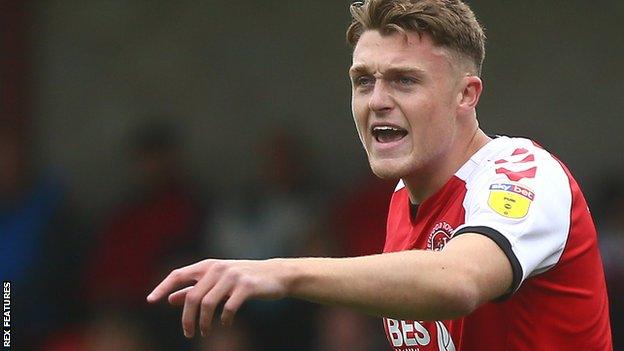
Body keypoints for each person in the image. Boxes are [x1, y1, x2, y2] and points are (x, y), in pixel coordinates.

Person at [147, 0, 613, 349]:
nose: (376, 100)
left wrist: (280, 271)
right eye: (363, 81)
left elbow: (459, 282)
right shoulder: (401, 199)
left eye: (404, 80)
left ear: (466, 95)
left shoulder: (523, 171)